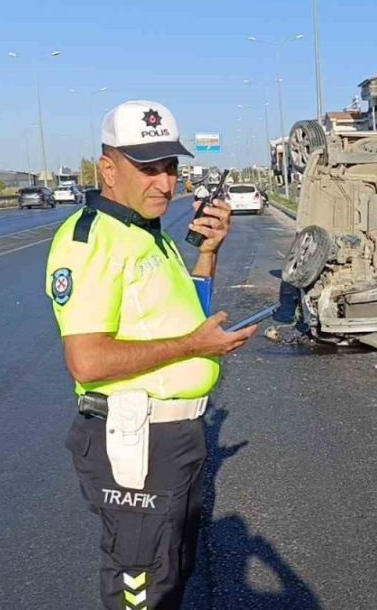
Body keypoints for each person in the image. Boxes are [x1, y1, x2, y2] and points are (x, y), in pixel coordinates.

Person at [46, 100, 258, 610]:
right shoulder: (91, 241)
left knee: (172, 569)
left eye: (171, 168)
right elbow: (88, 362)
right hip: (135, 440)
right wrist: (194, 347)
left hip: (174, 437)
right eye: (148, 168)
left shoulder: (146, 234)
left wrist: (208, 253)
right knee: (139, 587)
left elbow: (184, 316)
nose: (164, 183)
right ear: (109, 167)